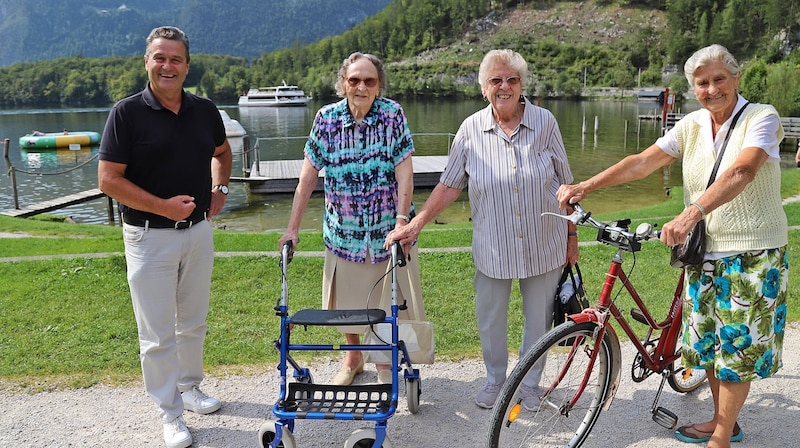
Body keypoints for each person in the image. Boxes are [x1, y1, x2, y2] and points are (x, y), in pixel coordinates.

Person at [557, 44, 787, 448]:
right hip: (703, 253)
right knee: (712, 342)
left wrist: (692, 212)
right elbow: (642, 161)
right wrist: (586, 185)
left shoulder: (761, 117)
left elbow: (743, 169)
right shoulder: (692, 124)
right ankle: (724, 422)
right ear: (692, 88)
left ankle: (721, 439)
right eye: (702, 83)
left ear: (736, 78)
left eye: (719, 79)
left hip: (753, 252)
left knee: (737, 350)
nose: (712, 89)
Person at [385, 49, 578, 409]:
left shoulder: (545, 122)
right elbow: (449, 185)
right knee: (490, 319)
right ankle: (495, 380)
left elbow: (565, 184)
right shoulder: (471, 129)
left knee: (538, 318)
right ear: (484, 88)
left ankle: (531, 385)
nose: (504, 86)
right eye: (496, 80)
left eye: (512, 80)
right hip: (494, 246)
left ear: (522, 85)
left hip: (544, 242)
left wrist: (571, 236)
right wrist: (417, 222)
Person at [97, 26, 232, 448]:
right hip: (147, 236)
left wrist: (220, 190)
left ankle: (190, 388)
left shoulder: (205, 110)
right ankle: (169, 413)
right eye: (160, 58)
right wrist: (164, 207)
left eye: (175, 59)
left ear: (187, 66)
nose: (168, 66)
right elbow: (107, 180)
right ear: (147, 62)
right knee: (157, 333)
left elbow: (223, 152)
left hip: (197, 233)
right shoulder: (126, 113)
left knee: (193, 322)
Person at [278, 52, 425, 386]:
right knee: (348, 302)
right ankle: (353, 359)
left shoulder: (392, 115)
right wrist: (292, 228)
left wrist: (402, 220)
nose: (361, 86)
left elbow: (405, 172)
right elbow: (307, 178)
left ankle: (386, 366)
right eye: (354, 79)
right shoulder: (326, 119)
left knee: (391, 305)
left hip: (389, 232)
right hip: (344, 233)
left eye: (369, 81)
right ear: (343, 83)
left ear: (378, 86)